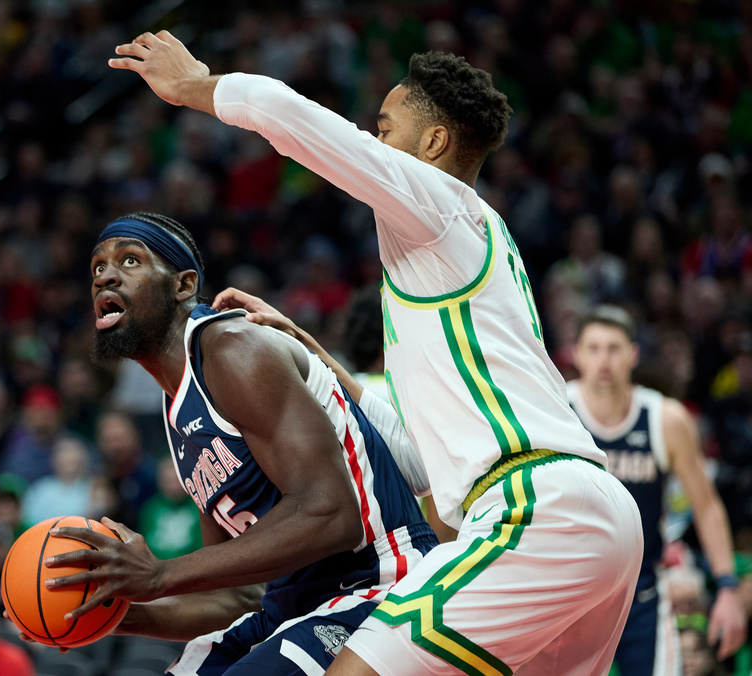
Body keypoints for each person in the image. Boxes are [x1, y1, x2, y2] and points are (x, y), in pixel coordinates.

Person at [109, 34, 643, 675]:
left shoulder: (442, 209)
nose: (374, 141)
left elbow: (294, 118)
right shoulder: (459, 258)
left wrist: (194, 83)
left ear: (434, 144)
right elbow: (423, 460)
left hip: (535, 510)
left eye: (386, 130)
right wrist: (317, 357)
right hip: (589, 513)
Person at [41, 212, 436, 675]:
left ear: (183, 286)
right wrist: (106, 616)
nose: (105, 275)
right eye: (97, 268)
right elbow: (237, 595)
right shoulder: (175, 410)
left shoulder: (231, 348)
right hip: (288, 605)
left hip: (380, 582)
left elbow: (332, 514)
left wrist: (161, 575)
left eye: (130, 261)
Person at [568, 306, 748, 673]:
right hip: (570, 594)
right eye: (594, 348)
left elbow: (707, 505)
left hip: (643, 593)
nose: (604, 360)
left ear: (633, 354)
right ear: (576, 354)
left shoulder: (665, 418)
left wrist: (727, 587)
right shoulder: (557, 410)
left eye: (614, 348)